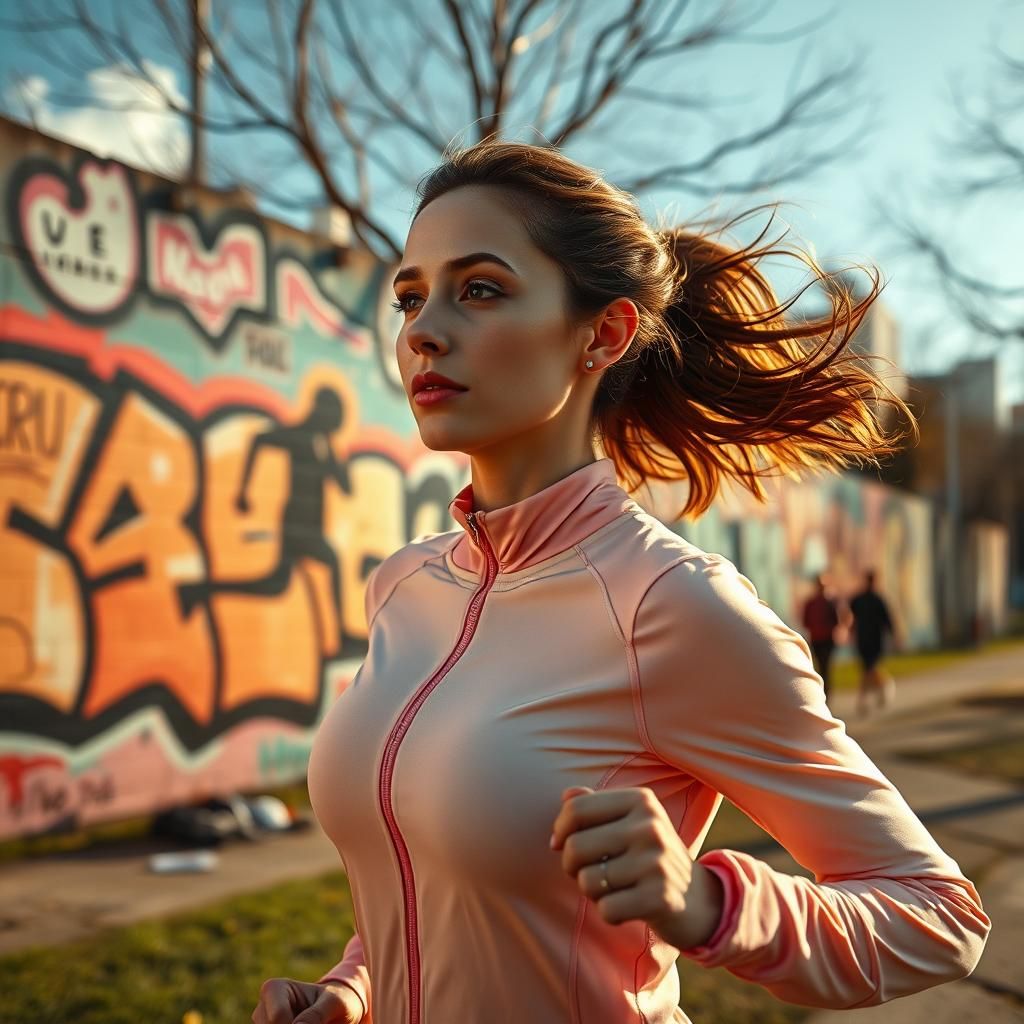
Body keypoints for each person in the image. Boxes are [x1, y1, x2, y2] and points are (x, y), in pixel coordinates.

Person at [252, 142, 988, 1024]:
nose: (422, 330)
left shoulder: (671, 606)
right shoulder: (404, 587)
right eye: (411, 296)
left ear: (603, 334)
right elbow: (433, 877)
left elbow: (937, 917)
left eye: (479, 288)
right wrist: (355, 987)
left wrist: (712, 907)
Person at [849, 569, 898, 717]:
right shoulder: (867, 599)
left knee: (869, 669)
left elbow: (887, 620)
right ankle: (884, 688)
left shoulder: (872, 599)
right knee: (869, 669)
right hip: (868, 639)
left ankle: (864, 700)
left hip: (870, 639)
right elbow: (852, 618)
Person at [800, 574, 842, 701]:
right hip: (816, 639)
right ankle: (822, 693)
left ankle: (826, 694)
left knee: (826, 666)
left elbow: (836, 620)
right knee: (820, 667)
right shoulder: (811, 603)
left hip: (827, 639)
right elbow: (806, 621)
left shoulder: (830, 603)